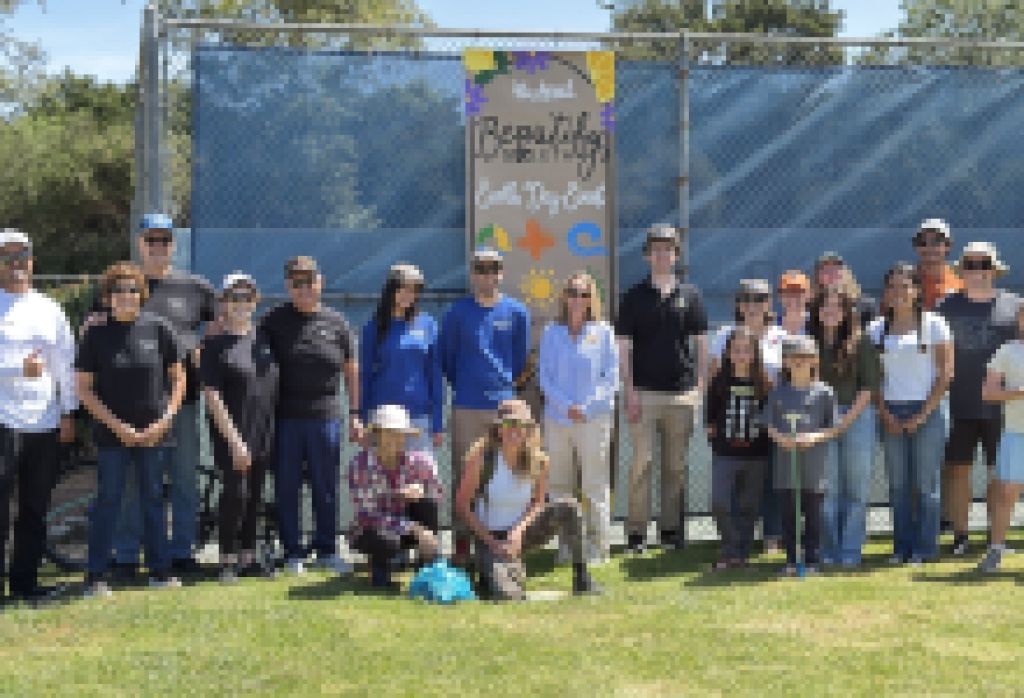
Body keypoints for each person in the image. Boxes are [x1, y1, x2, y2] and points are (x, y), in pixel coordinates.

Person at [82, 213, 217, 579]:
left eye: (165, 240)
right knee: (127, 486)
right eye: (151, 240)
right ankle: (127, 554)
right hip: (125, 410)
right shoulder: (117, 289)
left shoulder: (196, 286)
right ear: (140, 243)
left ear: (174, 244)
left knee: (183, 479)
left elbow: (218, 327)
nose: (158, 247)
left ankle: (181, 551)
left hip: (178, 405)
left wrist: (205, 351)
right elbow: (92, 332)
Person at [76, 262, 186, 597]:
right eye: (118, 291)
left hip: (156, 433)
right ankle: (96, 576)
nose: (126, 296)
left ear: (142, 294)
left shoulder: (159, 328)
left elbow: (178, 378)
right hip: (112, 436)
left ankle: (160, 571)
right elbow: (84, 389)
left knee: (153, 499)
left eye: (132, 290)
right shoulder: (95, 335)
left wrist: (166, 419)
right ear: (107, 297)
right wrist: (117, 426)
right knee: (109, 500)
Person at [258, 255, 361, 575]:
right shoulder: (273, 321)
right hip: (285, 419)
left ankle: (327, 550)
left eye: (309, 281)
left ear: (321, 282)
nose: (304, 288)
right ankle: (292, 553)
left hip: (326, 416)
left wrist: (355, 412)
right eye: (297, 282)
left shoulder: (337, 322)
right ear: (288, 285)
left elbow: (351, 370)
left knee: (325, 486)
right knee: (287, 487)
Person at [616, 224, 708, 554]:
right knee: (641, 463)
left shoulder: (691, 295)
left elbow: (701, 343)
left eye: (668, 249)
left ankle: (671, 532)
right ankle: (636, 535)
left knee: (675, 466)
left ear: (676, 255)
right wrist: (628, 391)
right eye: (655, 249)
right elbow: (623, 347)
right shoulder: (633, 297)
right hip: (643, 393)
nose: (661, 255)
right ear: (646, 255)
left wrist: (699, 387)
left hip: (681, 394)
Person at [454, 399, 600, 600]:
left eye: (521, 425)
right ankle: (496, 573)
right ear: (498, 429)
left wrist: (517, 533)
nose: (515, 430)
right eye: (508, 424)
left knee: (569, 506)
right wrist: (491, 542)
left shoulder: (539, 461)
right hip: (489, 537)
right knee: (508, 596)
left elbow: (538, 503)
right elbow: (461, 505)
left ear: (528, 429)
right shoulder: (481, 459)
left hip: (521, 532)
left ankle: (582, 577)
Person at [0, 230, 77, 604]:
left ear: (32, 261)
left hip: (44, 423)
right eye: (7, 257)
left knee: (35, 508)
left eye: (22, 256)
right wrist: (17, 368)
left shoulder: (49, 309)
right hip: (3, 422)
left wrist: (68, 411)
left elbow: (64, 364)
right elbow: (21, 366)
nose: (16, 265)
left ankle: (25, 585)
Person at [440, 248, 530, 566]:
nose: (486, 276)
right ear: (472, 274)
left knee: (506, 472)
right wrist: (466, 384)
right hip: (466, 404)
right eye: (480, 270)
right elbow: (447, 360)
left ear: (501, 273)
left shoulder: (517, 312)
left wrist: (504, 390)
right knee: (466, 473)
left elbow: (519, 360)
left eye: (493, 270)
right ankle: (463, 543)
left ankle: (507, 541)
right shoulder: (456, 313)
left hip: (504, 408)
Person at [935, 242, 1018, 556]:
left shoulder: (1013, 305)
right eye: (970, 264)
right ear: (962, 270)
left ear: (994, 269)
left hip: (1003, 405)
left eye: (984, 264)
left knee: (1002, 472)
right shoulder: (946, 307)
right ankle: (961, 537)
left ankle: (996, 539)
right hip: (958, 403)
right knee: (958, 470)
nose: (977, 271)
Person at [869, 262, 953, 565]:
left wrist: (922, 414)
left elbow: (945, 374)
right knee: (899, 485)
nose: (899, 292)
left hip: (927, 411)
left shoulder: (934, 324)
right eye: (893, 286)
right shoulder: (876, 328)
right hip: (890, 411)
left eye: (906, 286)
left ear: (917, 290)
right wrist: (884, 412)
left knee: (926, 485)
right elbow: (872, 378)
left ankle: (925, 549)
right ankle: (901, 547)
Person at [200, 273, 279, 583]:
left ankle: (248, 557)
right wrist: (234, 442)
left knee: (254, 495)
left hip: (262, 432)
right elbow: (213, 397)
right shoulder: (215, 346)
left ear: (255, 301)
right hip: (232, 435)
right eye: (235, 298)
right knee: (236, 494)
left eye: (247, 297)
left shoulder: (264, 341)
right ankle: (226, 561)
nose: (242, 303)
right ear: (225, 303)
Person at [538, 271, 619, 564]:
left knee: (594, 485)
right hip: (558, 420)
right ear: (564, 296)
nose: (577, 299)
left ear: (591, 298)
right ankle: (567, 547)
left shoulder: (604, 332)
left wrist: (585, 407)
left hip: (593, 420)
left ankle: (598, 548)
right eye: (573, 292)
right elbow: (544, 376)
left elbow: (610, 378)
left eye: (584, 294)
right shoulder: (551, 332)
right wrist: (565, 405)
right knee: (559, 485)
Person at [809, 285, 880, 567]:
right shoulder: (809, 341)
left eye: (837, 306)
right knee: (828, 489)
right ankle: (828, 550)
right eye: (825, 305)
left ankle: (851, 550)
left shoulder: (860, 341)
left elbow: (869, 386)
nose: (830, 311)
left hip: (857, 417)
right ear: (817, 309)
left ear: (847, 311)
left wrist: (845, 421)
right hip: (820, 420)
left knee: (856, 488)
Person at [762, 336, 837, 576]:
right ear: (785, 361)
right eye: (794, 357)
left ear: (815, 360)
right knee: (789, 516)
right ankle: (792, 561)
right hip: (786, 467)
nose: (799, 362)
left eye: (805, 357)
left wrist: (813, 437)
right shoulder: (778, 393)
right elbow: (768, 423)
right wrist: (781, 439)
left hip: (814, 467)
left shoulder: (824, 392)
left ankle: (812, 559)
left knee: (813, 516)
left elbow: (833, 427)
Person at [348, 404, 443, 589]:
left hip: (404, 525)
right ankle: (379, 569)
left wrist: (422, 490)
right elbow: (368, 516)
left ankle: (426, 571)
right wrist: (416, 529)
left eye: (400, 433)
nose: (396, 439)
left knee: (428, 505)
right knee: (386, 539)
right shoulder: (359, 466)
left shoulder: (420, 461)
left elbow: (438, 495)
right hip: (370, 530)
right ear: (377, 434)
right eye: (389, 433)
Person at [705, 326, 771, 570]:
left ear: (755, 354)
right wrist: (718, 445)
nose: (742, 355)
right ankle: (729, 546)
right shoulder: (719, 382)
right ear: (729, 353)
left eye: (747, 350)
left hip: (756, 456)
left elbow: (768, 418)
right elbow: (710, 421)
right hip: (726, 454)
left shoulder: (764, 384)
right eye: (737, 350)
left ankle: (739, 553)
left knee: (748, 506)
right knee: (720, 502)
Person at [360, 263, 443, 455]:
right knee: (383, 482)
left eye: (413, 290)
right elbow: (365, 377)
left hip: (419, 417)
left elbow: (435, 376)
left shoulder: (428, 324)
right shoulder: (373, 327)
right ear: (391, 290)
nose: (408, 295)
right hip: (383, 420)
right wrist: (363, 421)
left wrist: (437, 422)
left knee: (420, 482)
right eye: (403, 288)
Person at [977, 300, 1024, 572]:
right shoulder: (1007, 351)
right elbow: (989, 393)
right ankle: (996, 550)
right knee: (1007, 493)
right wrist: (1018, 392)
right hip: (1016, 432)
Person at [708, 278, 786, 382]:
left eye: (759, 299)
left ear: (769, 303)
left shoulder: (783, 338)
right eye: (745, 299)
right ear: (738, 304)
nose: (751, 305)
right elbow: (712, 378)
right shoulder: (724, 336)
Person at [812, 251, 877, 329]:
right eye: (826, 271)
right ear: (818, 277)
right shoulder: (810, 306)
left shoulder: (865, 305)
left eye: (835, 270)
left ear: (846, 273)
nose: (831, 275)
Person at [913, 218, 962, 311]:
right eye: (923, 243)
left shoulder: (961, 283)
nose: (929, 247)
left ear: (948, 246)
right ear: (916, 247)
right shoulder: (904, 282)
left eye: (936, 242)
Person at [777, 270, 811, 337]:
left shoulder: (819, 325)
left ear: (808, 295)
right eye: (788, 291)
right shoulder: (771, 327)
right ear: (780, 296)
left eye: (798, 291)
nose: (793, 296)